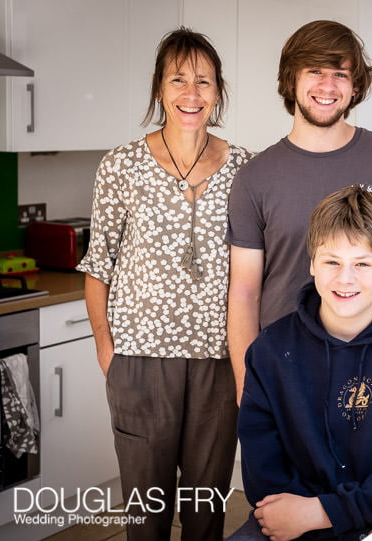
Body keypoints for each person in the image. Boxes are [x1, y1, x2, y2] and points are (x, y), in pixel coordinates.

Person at [77, 27, 253, 540]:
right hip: (139, 360)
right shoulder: (121, 165)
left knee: (206, 509)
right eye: (178, 80)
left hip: (220, 361)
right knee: (146, 515)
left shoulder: (246, 167)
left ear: (219, 90)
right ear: (159, 88)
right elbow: (98, 266)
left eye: (203, 81)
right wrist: (107, 351)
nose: (191, 94)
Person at [226, 20, 372, 404]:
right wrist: (246, 384)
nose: (327, 86)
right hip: (286, 363)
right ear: (291, 79)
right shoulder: (255, 175)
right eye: (315, 71)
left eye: (340, 74)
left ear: (355, 87)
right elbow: (245, 292)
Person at [228, 185, 372, 541]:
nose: (345, 279)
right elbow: (263, 469)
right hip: (292, 518)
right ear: (312, 265)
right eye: (331, 262)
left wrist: (326, 512)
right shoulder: (271, 350)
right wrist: (301, 516)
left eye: (362, 264)